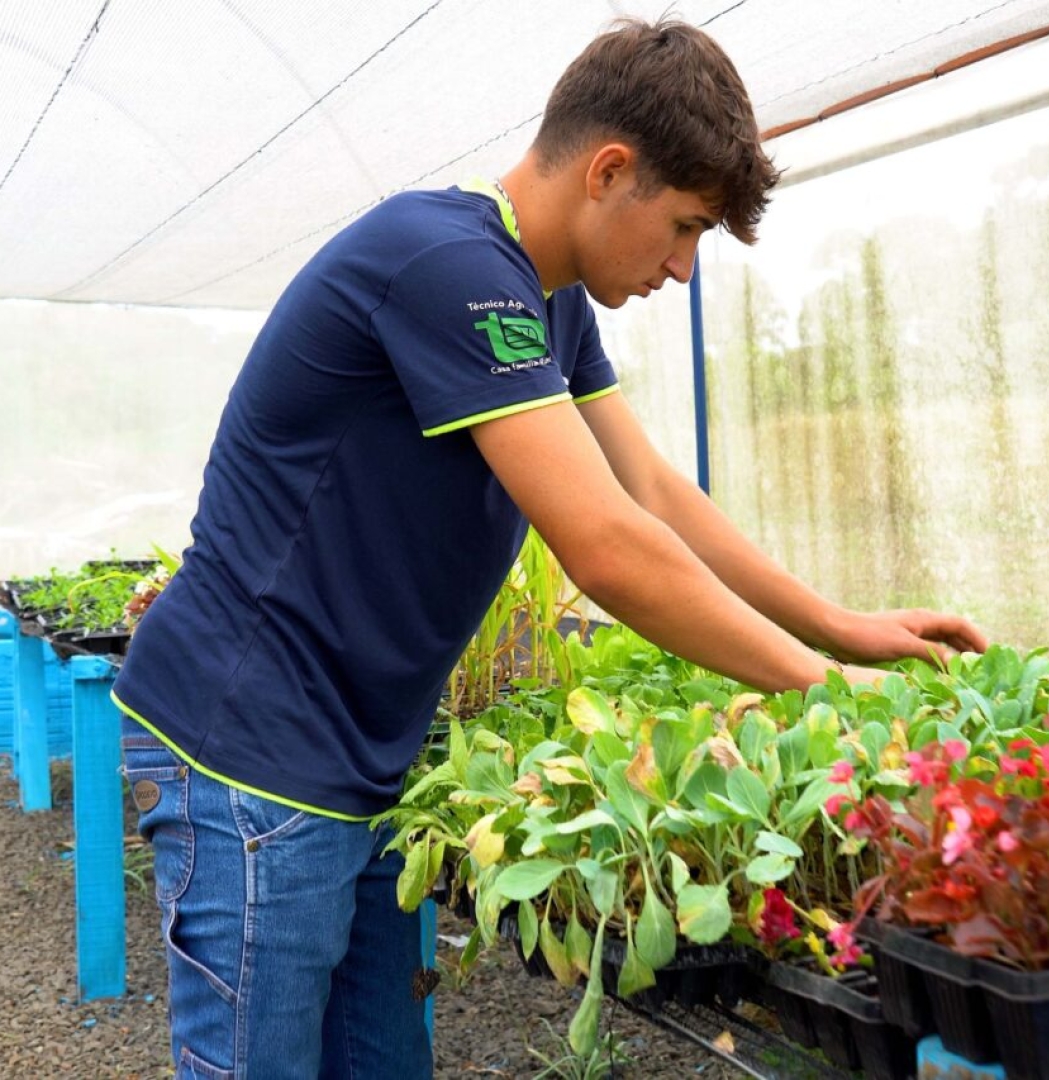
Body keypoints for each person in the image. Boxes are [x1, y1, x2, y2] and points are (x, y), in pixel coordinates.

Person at [113, 17, 987, 1079]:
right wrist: (833, 698)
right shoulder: (443, 262)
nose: (682, 264)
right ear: (610, 170)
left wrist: (847, 632)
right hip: (245, 750)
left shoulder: (548, 303)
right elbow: (607, 550)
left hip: (358, 759)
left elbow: (652, 492)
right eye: (684, 226)